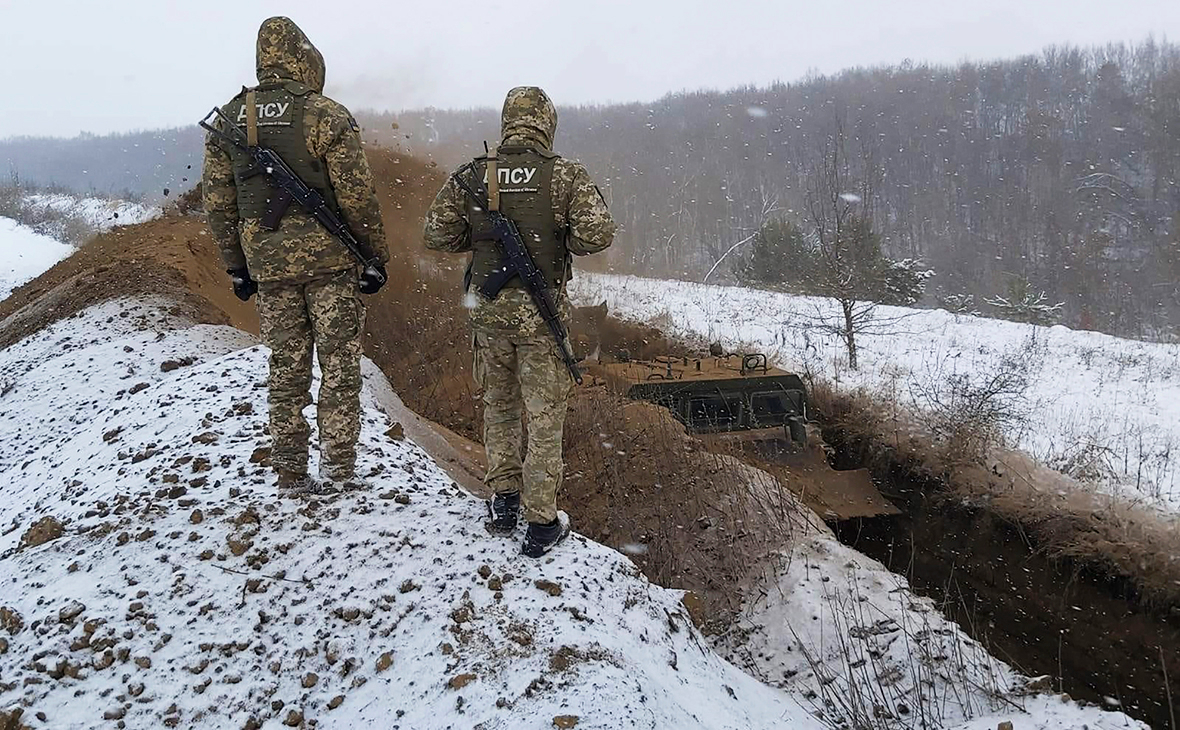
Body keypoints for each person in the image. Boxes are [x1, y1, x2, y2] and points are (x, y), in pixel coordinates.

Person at [424, 86, 616, 557]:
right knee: (544, 417)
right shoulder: (564, 176)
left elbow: (436, 232)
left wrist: (481, 230)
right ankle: (541, 522)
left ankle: (504, 500)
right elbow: (598, 234)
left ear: (507, 121)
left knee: (500, 407)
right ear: (546, 124)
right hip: (540, 322)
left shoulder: (476, 175)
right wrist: (559, 230)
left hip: (487, 318)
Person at [202, 16, 388, 495]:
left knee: (286, 371)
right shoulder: (325, 114)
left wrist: (236, 268)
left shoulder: (230, 120)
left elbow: (219, 203)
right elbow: (357, 196)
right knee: (340, 371)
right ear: (304, 58)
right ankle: (340, 471)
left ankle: (289, 472)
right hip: (331, 268)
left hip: (268, 270)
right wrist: (374, 256)